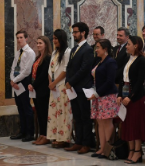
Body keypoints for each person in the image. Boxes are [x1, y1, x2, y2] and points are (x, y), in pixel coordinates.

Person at [117, 36, 145, 164]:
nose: (127, 46)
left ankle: (137, 151)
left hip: (135, 96)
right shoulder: (127, 59)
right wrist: (120, 95)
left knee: (135, 125)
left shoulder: (141, 61)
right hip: (125, 93)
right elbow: (121, 79)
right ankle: (130, 150)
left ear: (136, 45)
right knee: (127, 125)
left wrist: (130, 97)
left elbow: (140, 82)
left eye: (128, 44)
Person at [64, 22, 94, 154]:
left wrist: (71, 81)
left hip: (82, 87)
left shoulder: (88, 49)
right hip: (73, 88)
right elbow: (69, 67)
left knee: (84, 116)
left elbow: (84, 69)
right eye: (73, 32)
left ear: (83, 33)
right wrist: (67, 82)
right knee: (77, 116)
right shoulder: (74, 49)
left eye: (76, 32)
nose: (74, 34)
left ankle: (86, 143)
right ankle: (78, 141)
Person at [89, 39, 119, 158]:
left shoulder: (110, 62)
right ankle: (101, 148)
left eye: (98, 47)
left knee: (107, 122)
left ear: (105, 49)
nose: (96, 50)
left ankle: (108, 149)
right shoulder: (100, 61)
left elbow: (110, 81)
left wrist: (97, 93)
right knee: (100, 122)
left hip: (107, 95)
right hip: (99, 95)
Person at [46, 29, 72, 148]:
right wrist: (51, 82)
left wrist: (55, 82)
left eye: (56, 38)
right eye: (53, 38)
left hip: (62, 86)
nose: (54, 41)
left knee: (63, 113)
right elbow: (50, 69)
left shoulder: (67, 52)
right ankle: (54, 135)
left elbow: (65, 70)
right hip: (54, 87)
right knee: (54, 112)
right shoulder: (54, 52)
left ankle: (63, 138)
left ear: (62, 39)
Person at [10, 30, 35, 142]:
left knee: (26, 108)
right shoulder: (18, 52)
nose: (19, 40)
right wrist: (12, 80)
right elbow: (13, 67)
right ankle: (22, 131)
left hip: (24, 82)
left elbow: (26, 71)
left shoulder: (30, 52)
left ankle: (29, 133)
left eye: (21, 37)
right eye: (18, 38)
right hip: (16, 83)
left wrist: (15, 80)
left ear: (26, 38)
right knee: (20, 108)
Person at [28, 36, 52, 145]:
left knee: (44, 113)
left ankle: (46, 135)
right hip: (36, 89)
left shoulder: (47, 57)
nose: (38, 45)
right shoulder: (38, 57)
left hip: (43, 89)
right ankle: (41, 135)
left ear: (46, 44)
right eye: (37, 43)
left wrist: (33, 85)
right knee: (39, 113)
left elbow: (43, 75)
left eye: (40, 43)